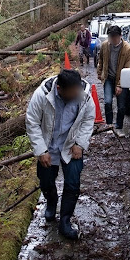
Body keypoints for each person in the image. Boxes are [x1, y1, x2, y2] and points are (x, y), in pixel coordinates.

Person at [26, 69, 96, 240]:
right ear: (59, 89)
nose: (75, 95)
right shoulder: (42, 95)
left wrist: (80, 143)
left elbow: (88, 119)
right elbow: (32, 121)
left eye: (77, 92)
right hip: (48, 146)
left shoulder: (84, 96)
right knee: (46, 181)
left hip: (71, 146)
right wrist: (41, 150)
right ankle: (51, 203)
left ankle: (65, 220)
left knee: (73, 184)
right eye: (71, 93)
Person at [96, 25, 130, 136]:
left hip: (122, 79)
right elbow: (101, 60)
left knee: (121, 106)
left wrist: (120, 85)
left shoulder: (127, 49)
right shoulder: (105, 46)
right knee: (107, 102)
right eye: (111, 37)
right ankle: (109, 125)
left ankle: (119, 126)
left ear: (120, 36)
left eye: (115, 37)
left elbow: (127, 67)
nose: (112, 39)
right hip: (108, 77)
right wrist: (99, 72)